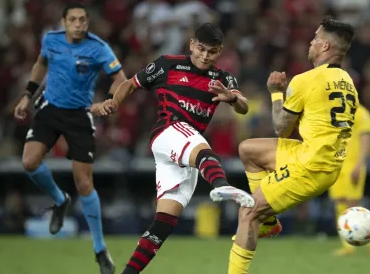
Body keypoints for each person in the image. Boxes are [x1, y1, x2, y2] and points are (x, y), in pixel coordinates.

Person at [98, 23, 255, 274]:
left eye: (212, 52)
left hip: (183, 153)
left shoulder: (223, 79)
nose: (205, 56)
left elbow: (244, 106)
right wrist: (114, 102)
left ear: (220, 52)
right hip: (167, 132)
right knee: (205, 152)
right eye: (201, 49)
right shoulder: (167, 65)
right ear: (192, 44)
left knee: (164, 222)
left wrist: (232, 98)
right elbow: (130, 84)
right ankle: (221, 186)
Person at [210, 17, 358, 274]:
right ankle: (267, 222)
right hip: (321, 158)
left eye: (315, 38)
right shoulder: (348, 83)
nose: (310, 42)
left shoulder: (306, 80)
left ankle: (256, 226)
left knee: (247, 212)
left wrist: (276, 91)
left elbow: (281, 127)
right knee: (248, 150)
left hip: (311, 166)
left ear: (324, 47)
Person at [13, 3, 127, 274]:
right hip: (50, 109)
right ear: (63, 22)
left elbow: (120, 78)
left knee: (84, 182)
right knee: (29, 163)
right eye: (73, 19)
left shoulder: (99, 48)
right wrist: (27, 95)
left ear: (88, 23)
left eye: (83, 19)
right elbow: (40, 64)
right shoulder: (50, 40)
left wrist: (108, 102)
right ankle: (60, 199)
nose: (78, 24)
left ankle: (100, 250)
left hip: (79, 115)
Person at [328, 103, 370, 255]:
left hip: (353, 164)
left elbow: (365, 140)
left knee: (354, 205)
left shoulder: (361, 113)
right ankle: (348, 246)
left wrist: (360, 164)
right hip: (337, 164)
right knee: (340, 203)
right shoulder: (335, 113)